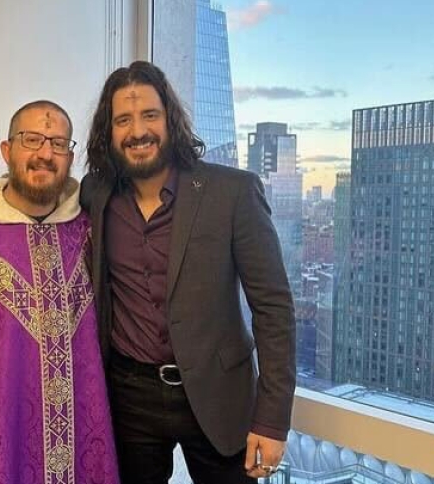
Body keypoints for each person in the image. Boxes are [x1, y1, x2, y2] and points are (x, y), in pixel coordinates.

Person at [80, 60, 296, 483]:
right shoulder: (96, 194)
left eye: (149, 115)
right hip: (129, 397)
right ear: (109, 132)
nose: (137, 131)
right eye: (123, 119)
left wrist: (272, 421)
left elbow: (273, 309)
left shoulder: (232, 192)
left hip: (220, 396)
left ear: (170, 119)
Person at [0, 100, 119, 484]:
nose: (45, 153)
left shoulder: (91, 231)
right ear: (7, 150)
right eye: (31, 139)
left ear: (70, 156)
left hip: (83, 430)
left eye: (58, 143)